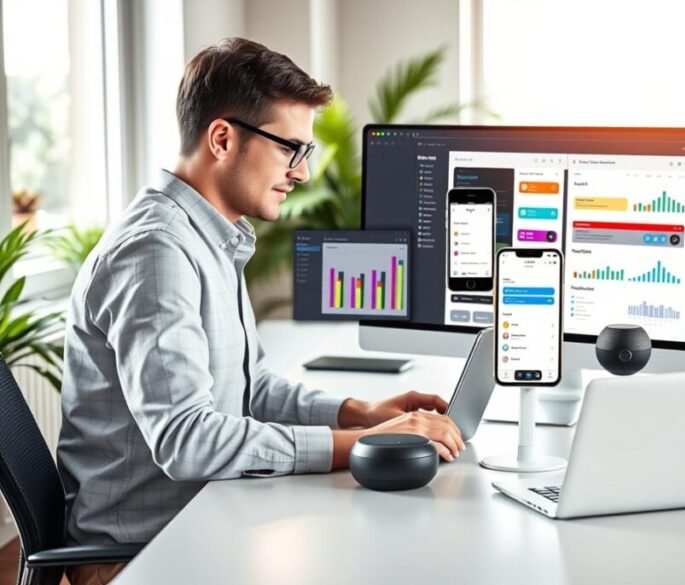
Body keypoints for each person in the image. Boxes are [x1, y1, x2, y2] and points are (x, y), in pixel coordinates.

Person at [56, 37, 464, 585]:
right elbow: (188, 440)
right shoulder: (156, 252)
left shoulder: (210, 238)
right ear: (222, 138)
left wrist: (359, 414)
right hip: (140, 555)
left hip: (199, 519)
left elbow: (250, 389)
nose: (302, 173)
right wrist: (363, 446)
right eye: (289, 148)